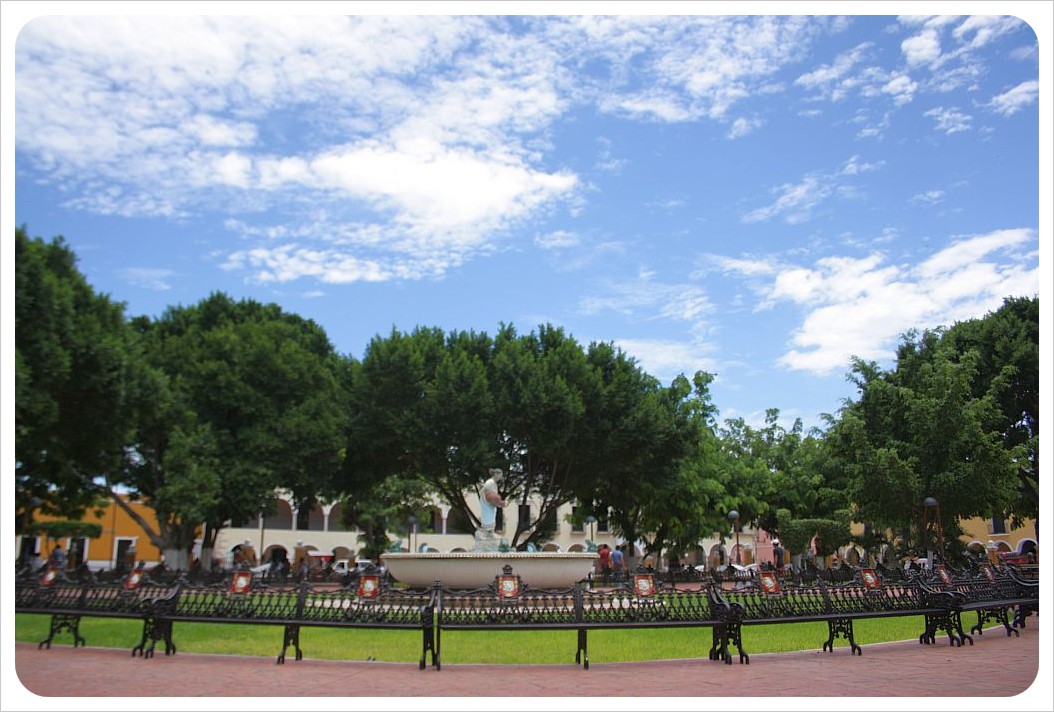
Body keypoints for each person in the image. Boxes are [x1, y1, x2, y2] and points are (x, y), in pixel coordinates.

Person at [479, 468, 506, 534]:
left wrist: (498, 502)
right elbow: (489, 496)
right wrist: (498, 501)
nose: (500, 478)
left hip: (490, 505)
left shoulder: (493, 483)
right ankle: (487, 531)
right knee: (488, 517)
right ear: (496, 474)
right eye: (500, 475)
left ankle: (489, 531)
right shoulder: (490, 482)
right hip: (487, 503)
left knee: (491, 517)